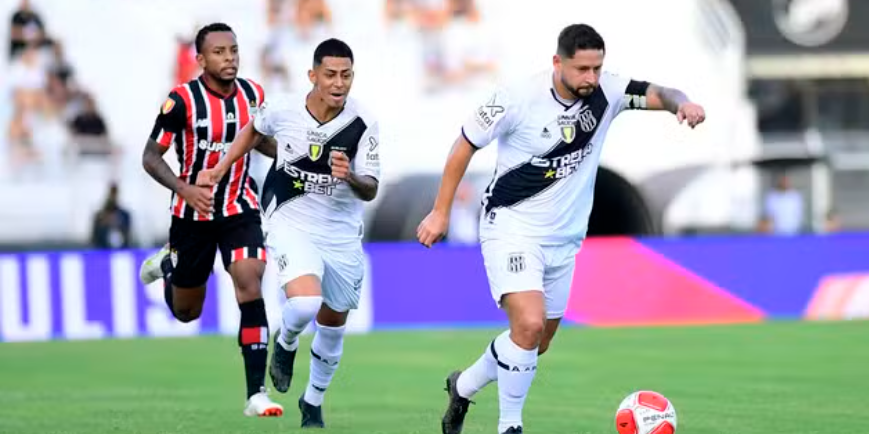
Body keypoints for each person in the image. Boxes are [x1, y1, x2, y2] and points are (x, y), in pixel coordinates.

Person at [417, 23, 706, 434]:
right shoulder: (516, 98)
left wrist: (684, 102)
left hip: (565, 239)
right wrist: (440, 212)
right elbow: (464, 144)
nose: (591, 78)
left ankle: (461, 386)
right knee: (528, 325)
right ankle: (510, 426)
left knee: (536, 342)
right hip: (512, 226)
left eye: (597, 68)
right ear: (558, 62)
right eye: (582, 69)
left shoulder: (608, 92)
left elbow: (660, 93)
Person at [197, 38, 380, 428]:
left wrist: (350, 177)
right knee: (304, 303)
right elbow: (253, 130)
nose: (339, 83)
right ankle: (286, 342)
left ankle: (312, 402)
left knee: (333, 326)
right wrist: (221, 167)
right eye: (330, 74)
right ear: (313, 75)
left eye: (346, 75)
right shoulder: (283, 108)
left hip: (341, 232)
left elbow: (371, 188)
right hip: (290, 220)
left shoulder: (363, 122)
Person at [138, 22, 283, 417]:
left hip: (239, 206)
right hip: (192, 214)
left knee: (250, 280)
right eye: (219, 52)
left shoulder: (254, 95)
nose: (229, 58)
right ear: (201, 60)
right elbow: (150, 156)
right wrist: (184, 189)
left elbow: (259, 139)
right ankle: (169, 265)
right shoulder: (181, 100)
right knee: (187, 312)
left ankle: (256, 394)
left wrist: (294, 154)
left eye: (233, 50)